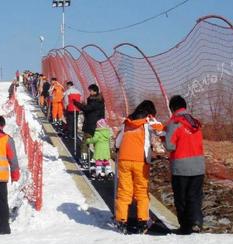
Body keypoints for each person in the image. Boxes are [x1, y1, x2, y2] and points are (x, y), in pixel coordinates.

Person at [114, 100, 163, 234]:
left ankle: (121, 221)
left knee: (124, 190)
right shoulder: (148, 122)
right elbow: (160, 131)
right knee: (141, 191)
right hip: (140, 160)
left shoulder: (127, 121)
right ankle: (142, 221)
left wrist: (117, 149)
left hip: (124, 159)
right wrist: (154, 119)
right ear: (150, 112)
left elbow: (118, 141)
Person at [164, 95, 205, 235]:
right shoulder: (195, 122)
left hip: (181, 167)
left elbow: (170, 146)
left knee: (181, 198)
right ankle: (196, 222)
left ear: (172, 108)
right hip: (199, 166)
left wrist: (162, 137)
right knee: (195, 196)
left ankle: (185, 227)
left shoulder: (174, 122)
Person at [74, 84, 105, 159]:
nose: (89, 92)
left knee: (85, 142)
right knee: (96, 143)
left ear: (95, 91)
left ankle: (84, 158)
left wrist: (77, 103)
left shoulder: (94, 101)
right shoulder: (100, 101)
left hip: (90, 125)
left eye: (90, 91)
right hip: (98, 126)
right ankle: (98, 159)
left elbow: (87, 108)